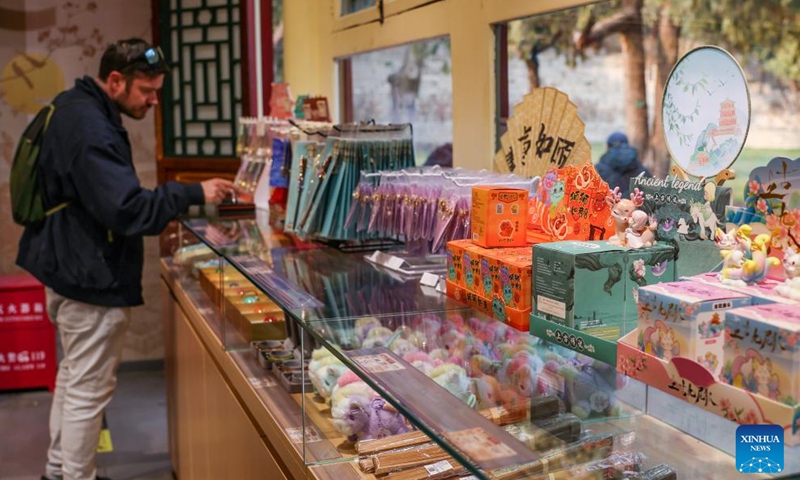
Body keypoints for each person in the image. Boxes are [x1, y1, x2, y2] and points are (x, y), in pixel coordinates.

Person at [16, 38, 235, 480]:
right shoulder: (90, 126)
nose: (155, 100)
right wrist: (194, 192)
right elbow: (127, 209)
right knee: (87, 390)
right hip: (88, 275)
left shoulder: (76, 107)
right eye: (147, 91)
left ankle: (60, 472)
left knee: (77, 380)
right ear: (115, 80)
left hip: (67, 265)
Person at [594, 132, 650, 197]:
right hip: (636, 206)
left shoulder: (598, 169)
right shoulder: (642, 170)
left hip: (609, 205)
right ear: (627, 145)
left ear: (607, 147)